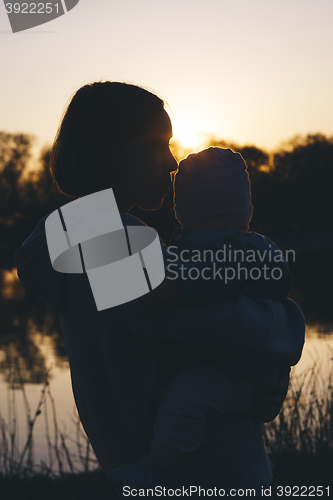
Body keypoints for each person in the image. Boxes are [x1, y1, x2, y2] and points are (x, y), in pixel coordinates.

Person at [14, 82, 305, 497]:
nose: (171, 163)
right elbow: (230, 326)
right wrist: (288, 325)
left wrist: (261, 381)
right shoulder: (103, 239)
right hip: (196, 475)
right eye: (156, 144)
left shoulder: (81, 234)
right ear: (108, 148)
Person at [107, 147, 303, 490]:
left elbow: (207, 281)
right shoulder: (96, 232)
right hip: (229, 459)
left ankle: (155, 468)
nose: (169, 163)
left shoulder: (221, 246)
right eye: (157, 144)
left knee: (188, 398)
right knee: (189, 399)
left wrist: (174, 285)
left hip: (224, 460)